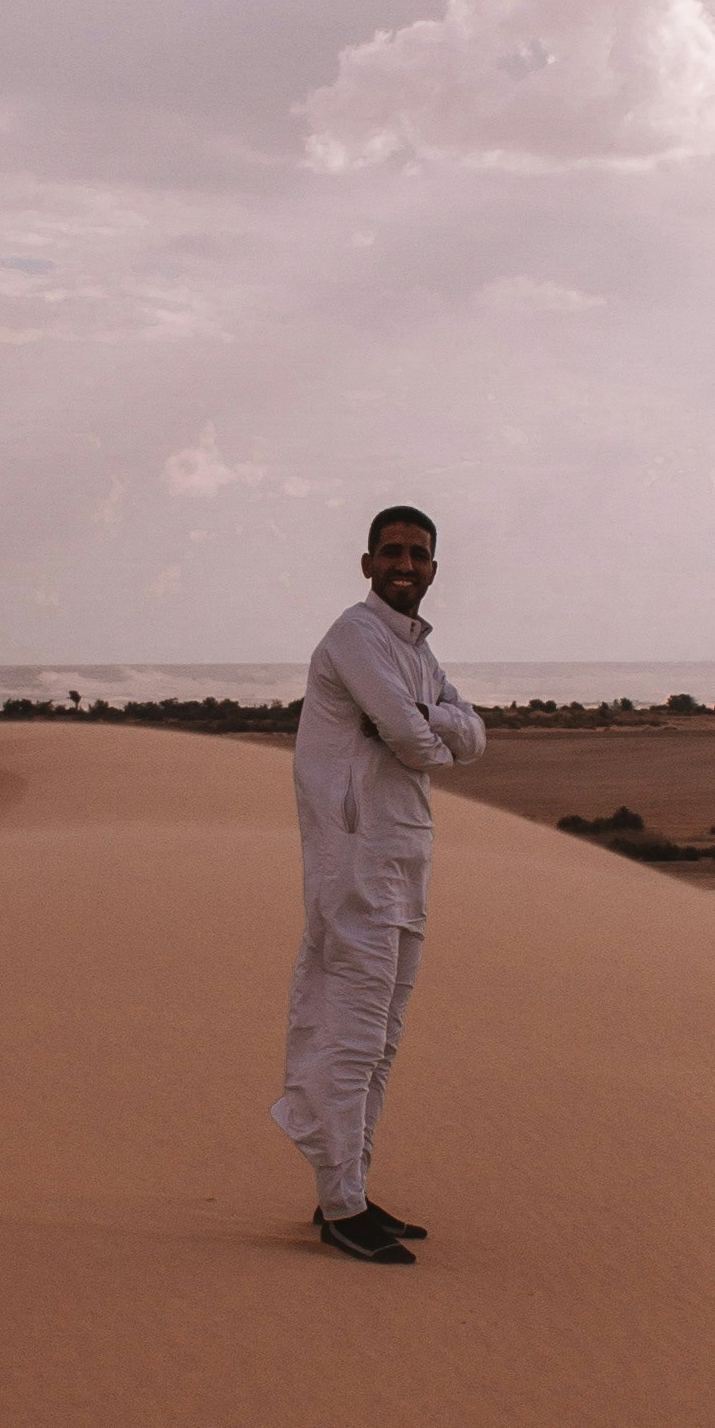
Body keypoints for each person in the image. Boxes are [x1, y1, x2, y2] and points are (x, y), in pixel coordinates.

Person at [273, 504, 483, 1264]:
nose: (404, 564)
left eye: (417, 554)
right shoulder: (355, 638)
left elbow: (469, 734)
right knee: (352, 1033)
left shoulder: (418, 652)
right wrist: (432, 728)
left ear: (433, 568)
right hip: (357, 861)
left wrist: (432, 722)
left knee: (382, 1039)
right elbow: (420, 745)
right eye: (390, 552)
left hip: (405, 860)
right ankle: (339, 1205)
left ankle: (352, 1188)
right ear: (366, 563)